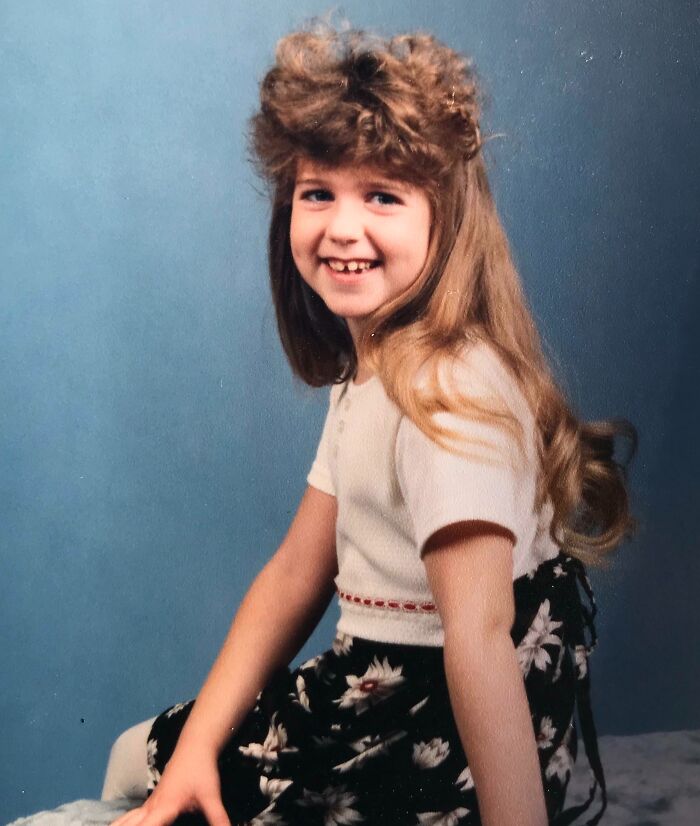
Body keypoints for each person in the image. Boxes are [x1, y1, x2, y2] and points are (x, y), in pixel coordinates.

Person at [105, 22, 637, 826]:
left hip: (441, 726)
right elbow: (297, 572)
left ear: (445, 218)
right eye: (318, 193)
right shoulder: (379, 366)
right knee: (171, 759)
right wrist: (196, 753)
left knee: (125, 757)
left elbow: (481, 637)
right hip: (413, 699)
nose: (343, 227)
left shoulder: (445, 392)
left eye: (382, 196)